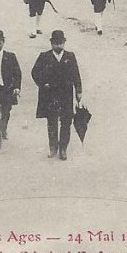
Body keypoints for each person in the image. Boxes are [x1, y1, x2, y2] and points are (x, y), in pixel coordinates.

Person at [31, 30, 84, 161]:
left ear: (64, 43)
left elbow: (76, 74)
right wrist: (43, 84)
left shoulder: (70, 56)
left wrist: (78, 90)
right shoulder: (44, 56)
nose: (58, 46)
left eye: (60, 43)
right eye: (56, 43)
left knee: (66, 122)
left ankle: (63, 148)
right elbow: (34, 72)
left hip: (66, 94)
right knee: (52, 122)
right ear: (51, 43)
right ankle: (53, 147)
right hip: (50, 95)